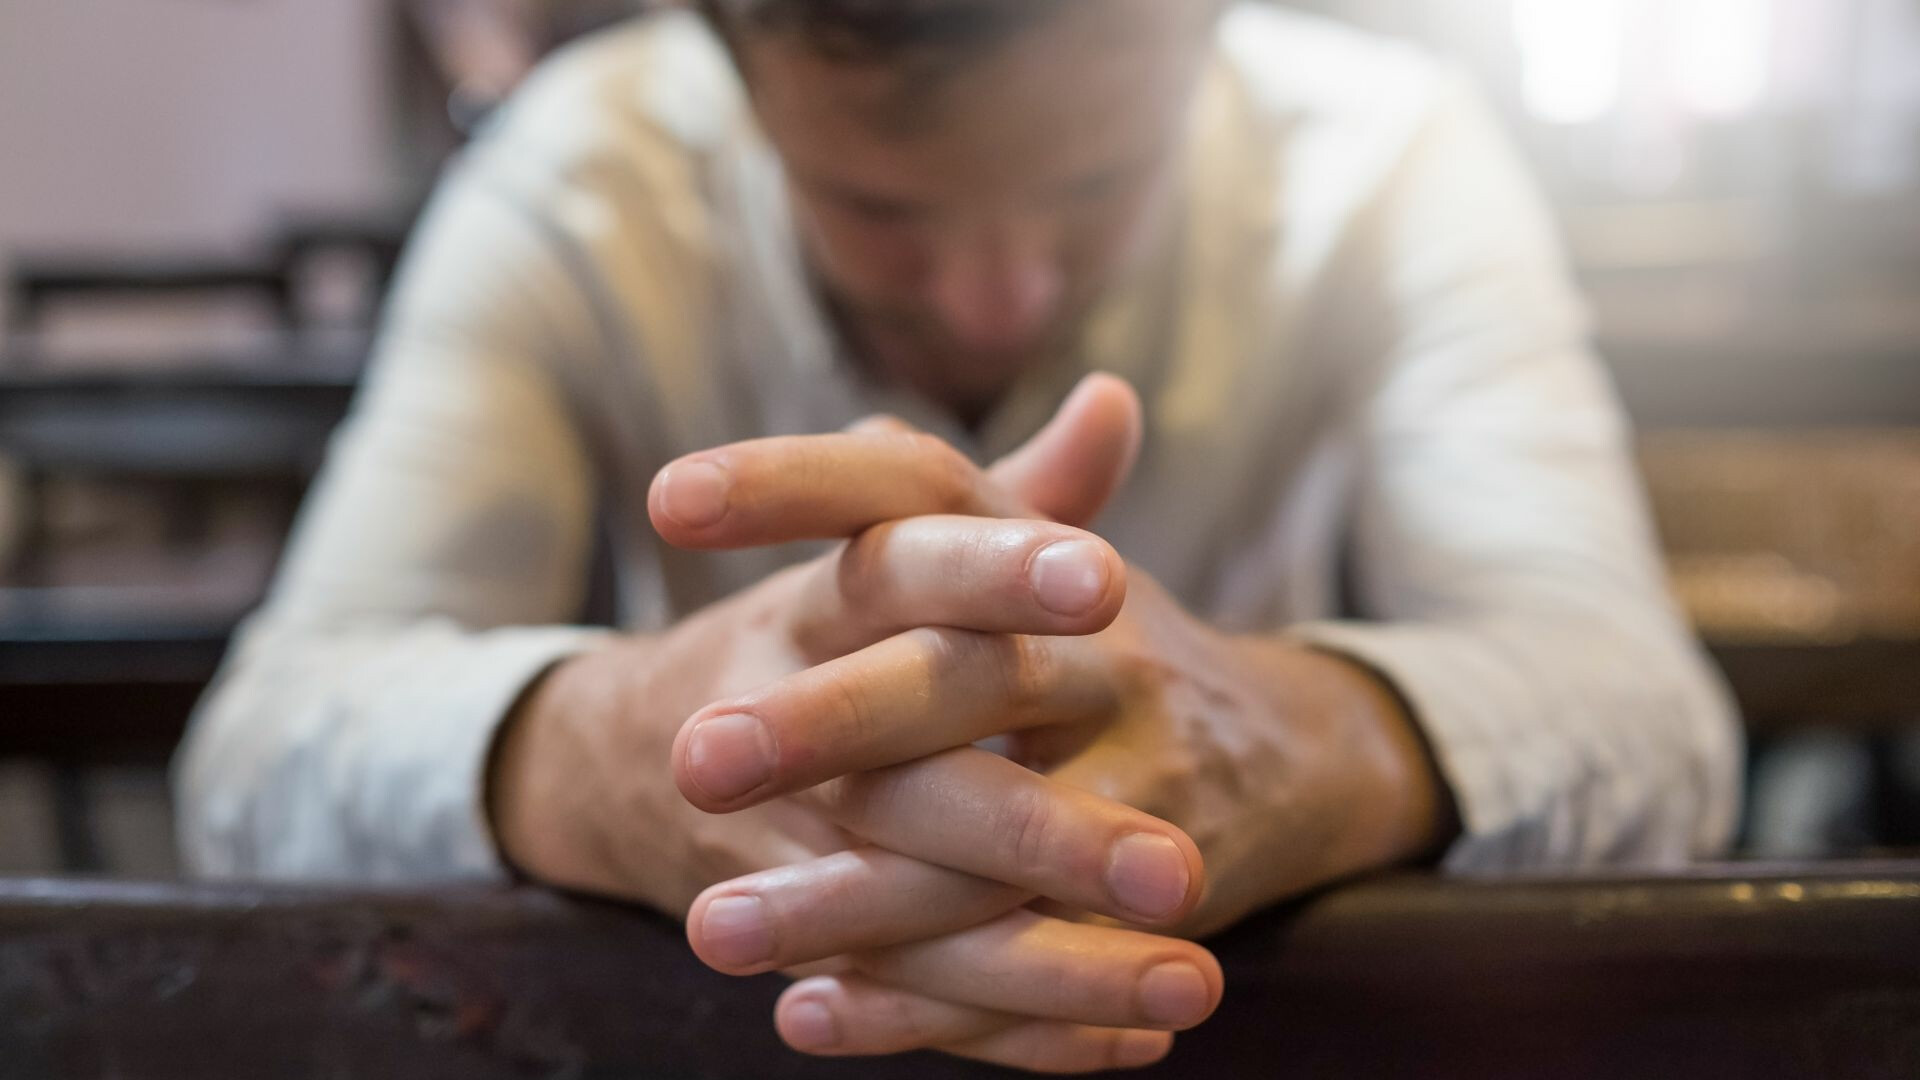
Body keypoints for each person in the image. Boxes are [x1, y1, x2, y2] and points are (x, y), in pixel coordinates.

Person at [174, 0, 1741, 1072]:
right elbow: (255, 752)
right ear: (736, 62)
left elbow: (1640, 704)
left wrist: (1308, 740)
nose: (1002, 298)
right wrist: (621, 754)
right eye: (879, 209)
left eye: (1096, 184)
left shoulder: (1390, 155)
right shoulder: (584, 176)